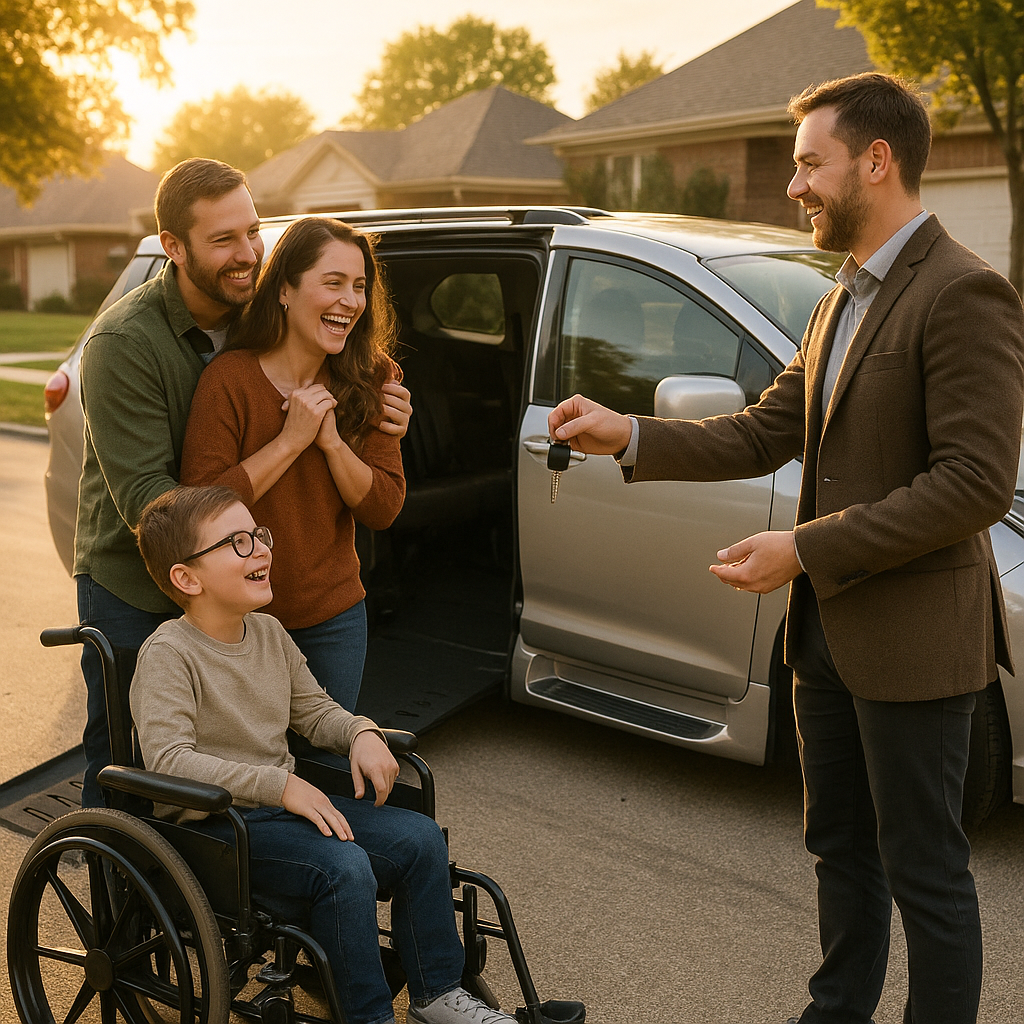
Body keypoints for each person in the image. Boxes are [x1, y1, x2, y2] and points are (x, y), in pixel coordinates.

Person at [548, 72, 1024, 1024]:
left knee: (925, 874)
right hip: (827, 647)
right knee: (839, 853)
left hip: (919, 648)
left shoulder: (964, 292)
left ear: (875, 162)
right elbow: (767, 429)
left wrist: (802, 549)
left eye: (811, 164)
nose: (795, 186)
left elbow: (973, 485)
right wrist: (628, 435)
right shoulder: (839, 296)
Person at [73, 156, 413, 806]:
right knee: (130, 765)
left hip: (248, 585)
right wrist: (290, 442)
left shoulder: (267, 309)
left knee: (253, 768)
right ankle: (122, 900)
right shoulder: (123, 343)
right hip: (135, 579)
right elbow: (156, 512)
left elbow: (333, 322)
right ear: (173, 247)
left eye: (253, 232)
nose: (247, 252)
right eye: (224, 239)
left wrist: (375, 413)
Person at [130, 484, 517, 1024]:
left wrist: (360, 732)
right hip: (219, 830)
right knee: (345, 868)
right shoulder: (169, 654)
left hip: (283, 813)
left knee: (420, 839)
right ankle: (368, 1015)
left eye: (258, 535)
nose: (261, 548)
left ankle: (437, 997)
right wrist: (279, 785)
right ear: (187, 578)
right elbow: (170, 761)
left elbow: (315, 713)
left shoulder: (267, 633)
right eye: (237, 543)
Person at [179, 216, 405, 711]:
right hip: (241, 624)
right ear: (285, 289)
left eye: (360, 286)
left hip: (335, 618)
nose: (350, 301)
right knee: (258, 776)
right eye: (333, 283)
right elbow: (199, 511)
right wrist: (289, 441)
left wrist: (332, 445)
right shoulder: (228, 382)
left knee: (328, 766)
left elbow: (384, 507)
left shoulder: (373, 375)